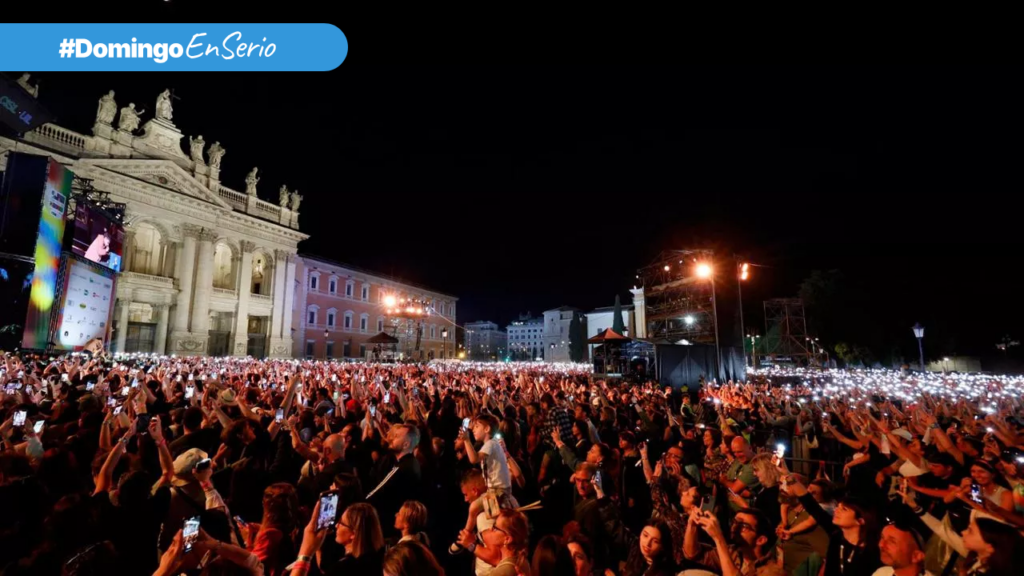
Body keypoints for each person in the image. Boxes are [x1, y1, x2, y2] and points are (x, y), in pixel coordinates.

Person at [292, 502, 385, 576]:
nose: (336, 525)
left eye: (341, 523)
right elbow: (324, 568)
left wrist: (306, 552)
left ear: (353, 533)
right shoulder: (380, 560)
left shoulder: (343, 569)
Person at [684, 507, 775, 576]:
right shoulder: (734, 552)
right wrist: (692, 524)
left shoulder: (771, 569)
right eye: (734, 522)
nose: (734, 527)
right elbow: (692, 554)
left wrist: (718, 538)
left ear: (760, 540)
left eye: (743, 525)